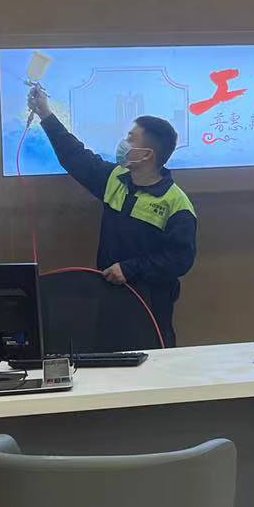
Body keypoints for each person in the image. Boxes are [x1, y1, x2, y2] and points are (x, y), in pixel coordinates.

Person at [28, 88, 197, 348]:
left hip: (150, 305)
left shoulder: (176, 204)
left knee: (153, 365)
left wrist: (129, 269)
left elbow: (180, 259)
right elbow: (75, 156)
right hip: (109, 296)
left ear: (146, 155)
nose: (123, 143)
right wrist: (46, 114)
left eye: (130, 138)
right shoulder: (115, 179)